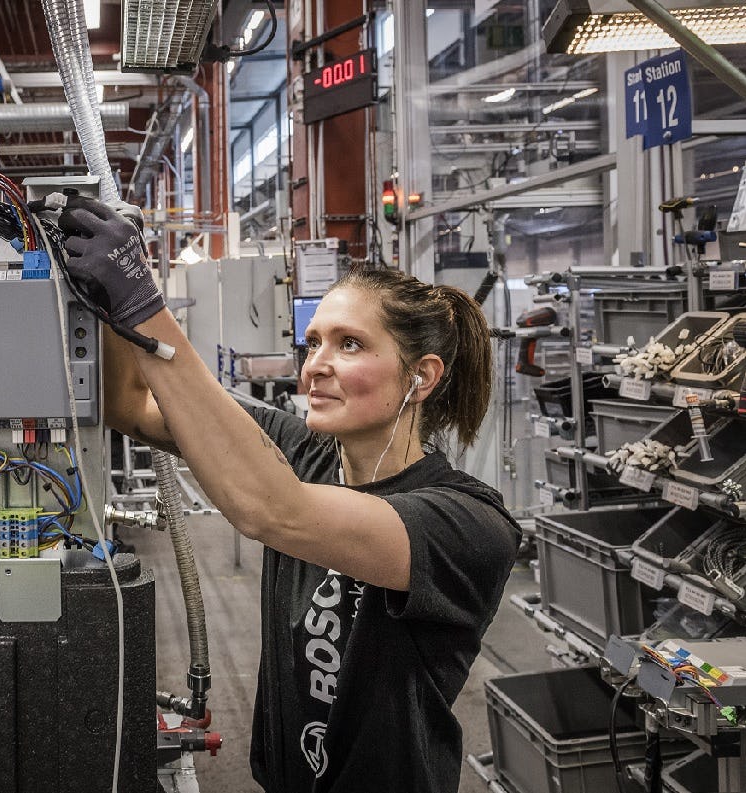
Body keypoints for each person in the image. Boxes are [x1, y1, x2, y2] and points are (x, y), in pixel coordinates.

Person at [57, 196, 520, 793]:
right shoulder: (301, 451)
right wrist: (105, 302)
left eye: (349, 344)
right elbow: (132, 408)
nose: (314, 367)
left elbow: (274, 510)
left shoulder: (466, 524)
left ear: (421, 376)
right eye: (314, 343)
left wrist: (144, 304)